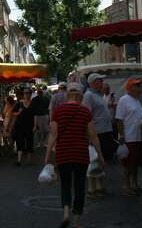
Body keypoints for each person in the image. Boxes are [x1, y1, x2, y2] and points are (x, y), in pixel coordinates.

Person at [45, 82, 104, 228]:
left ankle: (65, 214)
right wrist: (100, 154)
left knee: (65, 185)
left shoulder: (58, 111)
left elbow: (53, 135)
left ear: (67, 95)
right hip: (80, 154)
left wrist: (47, 155)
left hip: (63, 153)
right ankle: (77, 222)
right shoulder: (85, 111)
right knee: (79, 187)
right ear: (80, 95)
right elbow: (93, 136)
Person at [81, 73, 114, 196]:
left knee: (100, 160)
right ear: (93, 82)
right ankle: (91, 188)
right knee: (93, 160)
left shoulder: (98, 95)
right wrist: (88, 136)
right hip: (96, 133)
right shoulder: (88, 96)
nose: (102, 83)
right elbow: (86, 117)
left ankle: (99, 185)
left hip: (104, 131)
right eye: (100, 80)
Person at [115, 78, 142, 196]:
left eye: (139, 85)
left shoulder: (137, 101)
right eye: (137, 85)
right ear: (130, 88)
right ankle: (126, 186)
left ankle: (135, 184)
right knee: (128, 164)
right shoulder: (124, 100)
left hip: (138, 137)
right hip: (129, 137)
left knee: (135, 163)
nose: (140, 87)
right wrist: (121, 135)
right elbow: (119, 119)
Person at [10, 87, 35, 166]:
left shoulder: (33, 103)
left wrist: (35, 125)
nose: (26, 95)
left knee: (29, 142)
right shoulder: (19, 103)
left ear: (31, 94)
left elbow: (35, 115)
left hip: (29, 126)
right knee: (20, 143)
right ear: (23, 95)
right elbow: (12, 113)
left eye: (28, 93)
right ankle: (19, 161)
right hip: (19, 126)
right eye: (25, 93)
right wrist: (18, 113)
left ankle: (29, 160)